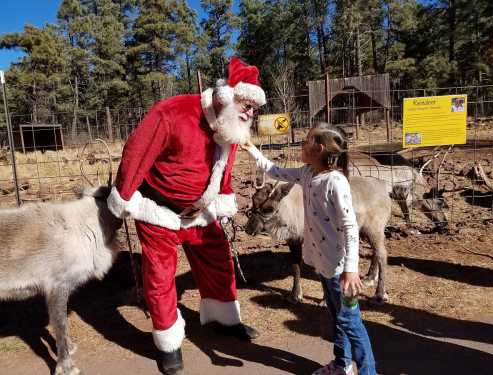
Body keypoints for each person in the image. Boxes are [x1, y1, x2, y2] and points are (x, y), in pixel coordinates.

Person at [106, 57, 266, 374]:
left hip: (202, 212)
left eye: (254, 107)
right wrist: (123, 196)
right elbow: (137, 150)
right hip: (159, 212)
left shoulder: (229, 124)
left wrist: (224, 198)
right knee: (160, 276)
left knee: (218, 260)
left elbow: (225, 169)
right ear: (224, 94)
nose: (249, 111)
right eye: (245, 103)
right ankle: (169, 346)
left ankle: (224, 320)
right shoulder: (174, 112)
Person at [242, 124, 376, 375]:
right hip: (325, 267)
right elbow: (274, 170)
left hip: (342, 270)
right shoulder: (306, 174)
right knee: (337, 317)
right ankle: (342, 363)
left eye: (305, 142)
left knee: (351, 322)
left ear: (319, 148)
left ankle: (368, 371)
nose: (301, 146)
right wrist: (250, 148)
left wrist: (351, 269)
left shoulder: (336, 182)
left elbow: (350, 228)